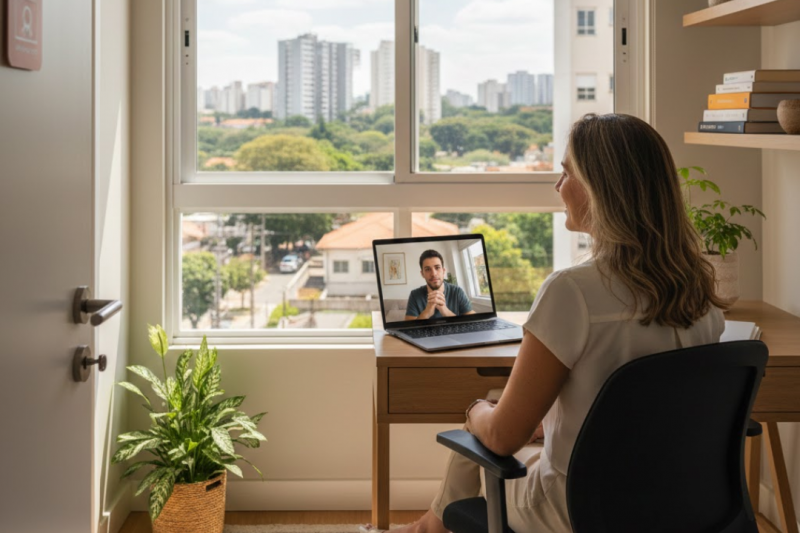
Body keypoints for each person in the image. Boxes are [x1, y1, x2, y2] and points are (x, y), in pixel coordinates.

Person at [363, 114, 727, 533]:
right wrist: (550, 420)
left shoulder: (572, 291)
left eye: (567, 172)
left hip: (577, 509)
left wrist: (475, 410)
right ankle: (427, 526)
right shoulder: (699, 289)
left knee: (487, 414)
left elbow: (501, 439)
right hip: (677, 503)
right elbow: (646, 403)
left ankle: (427, 528)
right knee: (512, 417)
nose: (558, 186)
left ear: (600, 188)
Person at [404, 249, 476, 320]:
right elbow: (408, 328)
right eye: (428, 269)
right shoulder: (415, 295)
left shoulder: (457, 292)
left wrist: (445, 311)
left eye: (437, 268)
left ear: (443, 271)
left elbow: (473, 322)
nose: (433, 274)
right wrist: (427, 312)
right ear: (422, 274)